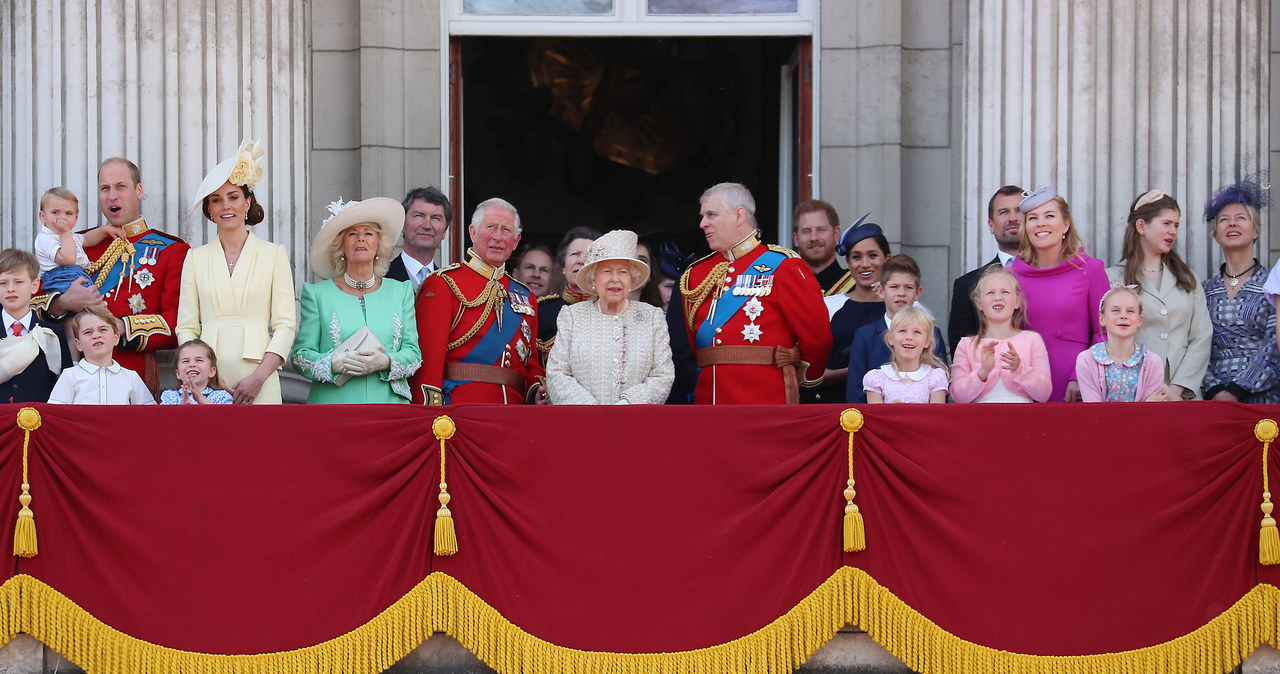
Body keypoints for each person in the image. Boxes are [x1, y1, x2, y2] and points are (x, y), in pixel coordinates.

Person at [38, 158, 190, 394]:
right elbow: (28, 305)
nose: (112, 196)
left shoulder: (171, 250)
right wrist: (63, 303)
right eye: (105, 188)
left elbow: (179, 324)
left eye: (121, 186)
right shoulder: (73, 244)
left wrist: (118, 327)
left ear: (138, 191)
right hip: (74, 379)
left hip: (132, 376)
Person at [679, 182, 831, 404]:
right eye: (703, 216)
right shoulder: (696, 274)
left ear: (739, 215)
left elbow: (818, 340)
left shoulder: (783, 266)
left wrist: (807, 384)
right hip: (708, 403)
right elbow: (694, 346)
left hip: (765, 402)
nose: (703, 224)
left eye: (712, 215)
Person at [176, 139, 296, 405]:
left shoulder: (273, 254)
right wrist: (200, 372)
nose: (226, 206)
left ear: (247, 202)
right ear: (210, 209)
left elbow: (285, 325)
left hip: (260, 377)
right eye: (217, 200)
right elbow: (186, 326)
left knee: (262, 445)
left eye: (233, 197)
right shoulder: (195, 258)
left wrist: (259, 377)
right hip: (207, 379)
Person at [411, 197, 543, 405]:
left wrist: (536, 390)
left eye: (506, 230)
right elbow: (427, 364)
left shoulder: (526, 297)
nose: (498, 237)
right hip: (461, 414)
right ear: (473, 232)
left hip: (516, 416)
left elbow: (530, 366)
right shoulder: (444, 283)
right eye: (491, 227)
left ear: (516, 241)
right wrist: (431, 419)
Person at [291, 197, 422, 404]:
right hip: (334, 408)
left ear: (379, 245)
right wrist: (335, 362)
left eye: (368, 233)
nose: (361, 239)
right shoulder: (317, 294)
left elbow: (413, 355)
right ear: (341, 246)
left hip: (390, 407)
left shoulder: (401, 291)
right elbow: (300, 357)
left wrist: (385, 361)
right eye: (352, 233)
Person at [546, 230, 674, 404]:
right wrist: (591, 410)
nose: (615, 279)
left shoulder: (652, 317)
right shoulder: (572, 316)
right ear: (593, 278)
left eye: (622, 272)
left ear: (631, 278)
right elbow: (557, 373)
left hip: (635, 422)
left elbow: (663, 375)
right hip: (583, 422)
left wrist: (627, 405)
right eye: (607, 271)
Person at [1106, 190, 1211, 399]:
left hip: (1184, 398)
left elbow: (1202, 336)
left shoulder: (1188, 278)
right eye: (1166, 223)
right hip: (1134, 395)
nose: (1173, 231)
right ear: (1141, 226)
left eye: (1176, 225)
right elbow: (1107, 338)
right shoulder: (1112, 278)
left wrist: (1178, 388)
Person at [1009, 186, 1109, 402]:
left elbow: (1105, 332)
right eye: (1033, 218)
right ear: (1025, 228)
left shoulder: (1091, 269)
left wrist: (1082, 375)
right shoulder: (1010, 276)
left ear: (1066, 224)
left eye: (1049, 216)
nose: (1041, 223)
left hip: (1073, 384)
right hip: (1023, 381)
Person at [1203, 174, 1280, 403]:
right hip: (1213, 400)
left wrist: (1237, 391)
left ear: (1255, 231)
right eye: (1224, 220)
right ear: (1216, 234)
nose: (1232, 223)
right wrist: (1215, 390)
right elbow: (1196, 345)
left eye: (1241, 218)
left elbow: (1274, 346)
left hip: (1263, 397)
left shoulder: (1272, 284)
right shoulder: (1204, 290)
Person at [846, 255, 948, 404]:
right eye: (894, 287)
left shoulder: (932, 333)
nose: (901, 293)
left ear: (917, 293)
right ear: (881, 290)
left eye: (908, 287)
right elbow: (855, 392)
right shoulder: (864, 335)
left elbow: (941, 391)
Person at [949, 266, 1052, 403]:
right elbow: (958, 397)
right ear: (978, 303)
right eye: (990, 293)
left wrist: (1019, 369)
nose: (998, 298)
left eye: (1005, 292)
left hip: (1022, 418)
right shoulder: (966, 344)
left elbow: (1044, 394)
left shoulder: (1032, 340)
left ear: (1017, 301)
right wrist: (982, 372)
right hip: (979, 419)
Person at [815, 216, 889, 403]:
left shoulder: (907, 310)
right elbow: (810, 372)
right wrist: (856, 370)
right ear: (848, 262)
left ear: (887, 259)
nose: (864, 264)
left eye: (872, 255)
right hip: (831, 408)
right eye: (857, 257)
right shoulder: (827, 306)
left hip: (889, 412)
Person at [948, 185, 1023, 357]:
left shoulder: (1054, 275)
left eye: (1019, 211)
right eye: (1003, 212)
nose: (1012, 218)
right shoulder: (966, 285)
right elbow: (960, 354)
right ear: (991, 225)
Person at [0, 249, 71, 403]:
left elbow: (65, 384)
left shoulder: (53, 333)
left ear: (34, 285)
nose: (10, 288)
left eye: (18, 282)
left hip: (40, 421)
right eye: (3, 283)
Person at [1076, 286, 1169, 402]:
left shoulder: (1152, 362)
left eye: (1130, 311)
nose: (1123, 316)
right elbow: (1094, 410)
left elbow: (1151, 413)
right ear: (1102, 318)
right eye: (1115, 310)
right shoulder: (1087, 360)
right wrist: (1144, 406)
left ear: (1139, 320)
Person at [48, 305, 155, 404]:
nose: (96, 335)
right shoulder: (70, 376)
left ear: (116, 338)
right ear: (78, 344)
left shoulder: (131, 378)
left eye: (103, 330)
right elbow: (56, 414)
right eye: (88, 332)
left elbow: (149, 415)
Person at [33, 187, 123, 294]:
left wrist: (104, 230)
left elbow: (87, 239)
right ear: (43, 217)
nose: (62, 218)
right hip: (60, 279)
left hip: (76, 275)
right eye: (55, 212)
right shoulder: (45, 238)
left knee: (95, 303)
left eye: (68, 213)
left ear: (75, 220)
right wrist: (65, 233)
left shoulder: (70, 236)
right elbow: (68, 260)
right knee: (88, 303)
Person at [536, 226, 601, 362]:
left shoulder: (613, 311)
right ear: (564, 267)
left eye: (589, 254)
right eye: (575, 254)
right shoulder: (541, 311)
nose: (581, 261)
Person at [861, 306, 949, 403]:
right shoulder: (876, 378)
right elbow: (876, 416)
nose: (909, 337)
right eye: (902, 331)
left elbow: (936, 416)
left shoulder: (935, 377)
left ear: (927, 341)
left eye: (917, 332)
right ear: (890, 338)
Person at [387, 186, 451, 292]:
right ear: (402, 224)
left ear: (444, 231)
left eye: (435, 218)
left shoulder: (450, 286)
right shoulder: (380, 279)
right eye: (419, 216)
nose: (427, 225)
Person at [792, 200, 846, 293]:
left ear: (836, 234)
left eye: (821, 230)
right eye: (806, 231)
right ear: (796, 238)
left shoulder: (857, 287)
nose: (814, 238)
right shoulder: (786, 288)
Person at [159, 339, 233, 405]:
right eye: (186, 361)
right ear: (178, 374)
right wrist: (181, 410)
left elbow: (222, 418)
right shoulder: (169, 397)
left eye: (199, 360)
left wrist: (199, 397)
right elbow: (164, 419)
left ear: (212, 371)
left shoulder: (222, 396)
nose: (192, 364)